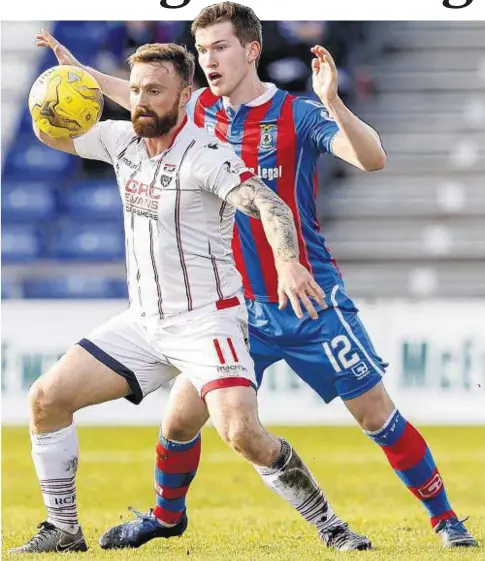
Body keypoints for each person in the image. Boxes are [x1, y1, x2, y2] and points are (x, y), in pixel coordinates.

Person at [35, 2, 478, 551]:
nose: (209, 59)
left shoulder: (295, 113)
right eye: (201, 50)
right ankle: (165, 516)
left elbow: (372, 160)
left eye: (219, 47)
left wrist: (333, 102)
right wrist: (79, 75)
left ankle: (445, 519)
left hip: (309, 298)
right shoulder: (196, 112)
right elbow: (142, 95)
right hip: (237, 310)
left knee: (374, 414)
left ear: (251, 50)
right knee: (178, 423)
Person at [10, 42, 372, 555]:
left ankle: (332, 527)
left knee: (243, 433)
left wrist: (289, 263)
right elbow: (55, 134)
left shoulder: (207, 156)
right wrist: (49, 99)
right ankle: (64, 530)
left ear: (184, 97)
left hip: (209, 324)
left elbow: (270, 205)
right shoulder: (120, 142)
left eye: (154, 91)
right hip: (144, 323)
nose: (140, 101)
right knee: (46, 399)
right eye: (134, 90)